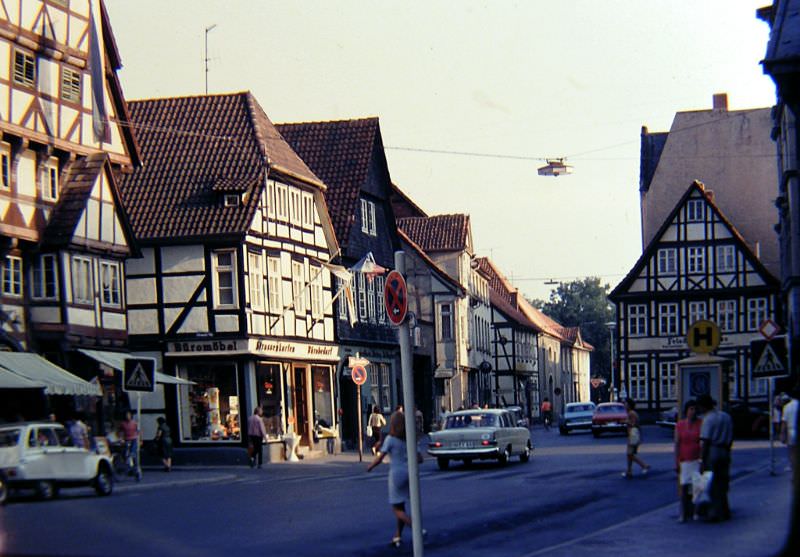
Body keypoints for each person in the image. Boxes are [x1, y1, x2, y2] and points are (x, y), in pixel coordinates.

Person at [366, 411, 422, 548]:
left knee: (396, 509)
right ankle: (397, 536)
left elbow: (380, 457)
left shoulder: (390, 439)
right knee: (401, 505)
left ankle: (417, 530)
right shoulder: (409, 438)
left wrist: (370, 466)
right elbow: (420, 458)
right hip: (409, 473)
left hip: (396, 474)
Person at [697, 394, 733, 521]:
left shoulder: (708, 419)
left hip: (713, 450)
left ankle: (714, 512)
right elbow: (731, 437)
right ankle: (725, 509)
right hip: (725, 450)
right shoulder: (725, 416)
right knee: (723, 482)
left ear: (703, 406)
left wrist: (701, 460)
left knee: (712, 482)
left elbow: (705, 441)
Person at [674, 399, 702, 522]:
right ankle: (683, 514)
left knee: (696, 487)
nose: (693, 412)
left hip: (697, 459)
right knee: (684, 488)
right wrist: (676, 461)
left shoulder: (701, 423)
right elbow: (677, 444)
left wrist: (702, 460)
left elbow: (702, 442)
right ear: (686, 411)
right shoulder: (680, 425)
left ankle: (696, 512)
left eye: (695, 409)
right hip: (684, 459)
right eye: (691, 409)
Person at [622, 398, 650, 478]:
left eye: (626, 404)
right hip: (633, 435)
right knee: (629, 454)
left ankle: (644, 465)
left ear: (629, 405)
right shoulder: (631, 413)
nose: (625, 405)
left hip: (633, 436)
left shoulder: (631, 413)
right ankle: (629, 471)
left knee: (630, 455)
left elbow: (633, 424)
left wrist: (625, 422)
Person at [781, 388, 799, 480]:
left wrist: (782, 434)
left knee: (791, 450)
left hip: (791, 430)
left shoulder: (787, 407)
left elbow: (784, 422)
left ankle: (793, 466)